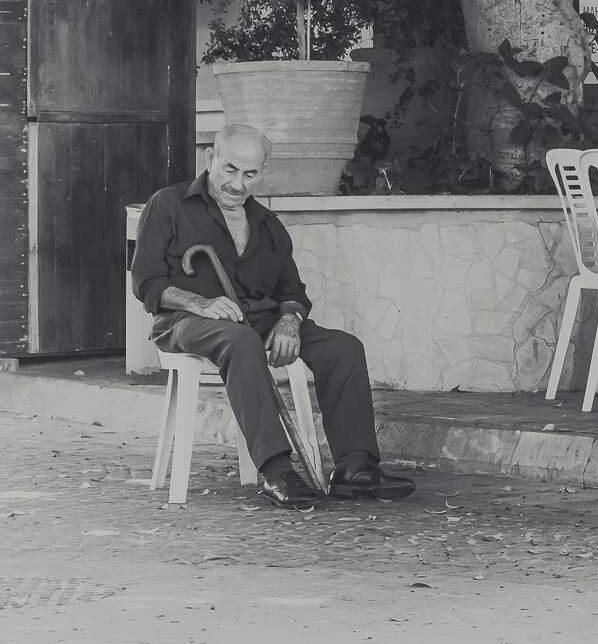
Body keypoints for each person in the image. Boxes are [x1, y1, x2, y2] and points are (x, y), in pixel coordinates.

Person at [131, 124, 416, 508]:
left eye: (250, 174)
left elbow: (292, 292)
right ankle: (277, 470)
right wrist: (199, 303)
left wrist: (289, 322)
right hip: (185, 321)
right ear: (210, 158)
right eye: (230, 169)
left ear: (262, 172)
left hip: (259, 319)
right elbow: (146, 281)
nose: (238, 184)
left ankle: (354, 468)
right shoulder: (168, 204)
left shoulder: (268, 225)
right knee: (240, 340)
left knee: (343, 348)